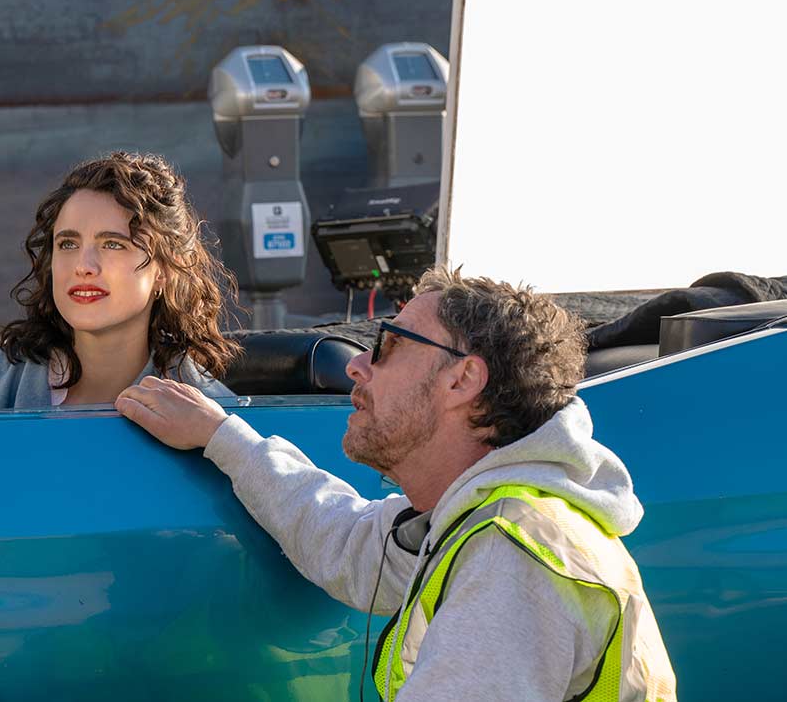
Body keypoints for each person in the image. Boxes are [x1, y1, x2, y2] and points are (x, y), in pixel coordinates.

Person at [116, 267, 676, 701]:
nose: (358, 366)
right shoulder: (483, 522)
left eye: (387, 346)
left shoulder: (516, 556)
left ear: (462, 378)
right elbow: (350, 542)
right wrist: (223, 436)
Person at [0, 152, 239, 411]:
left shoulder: (212, 413)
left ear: (165, 270)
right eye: (68, 244)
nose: (83, 267)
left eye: (113, 244)